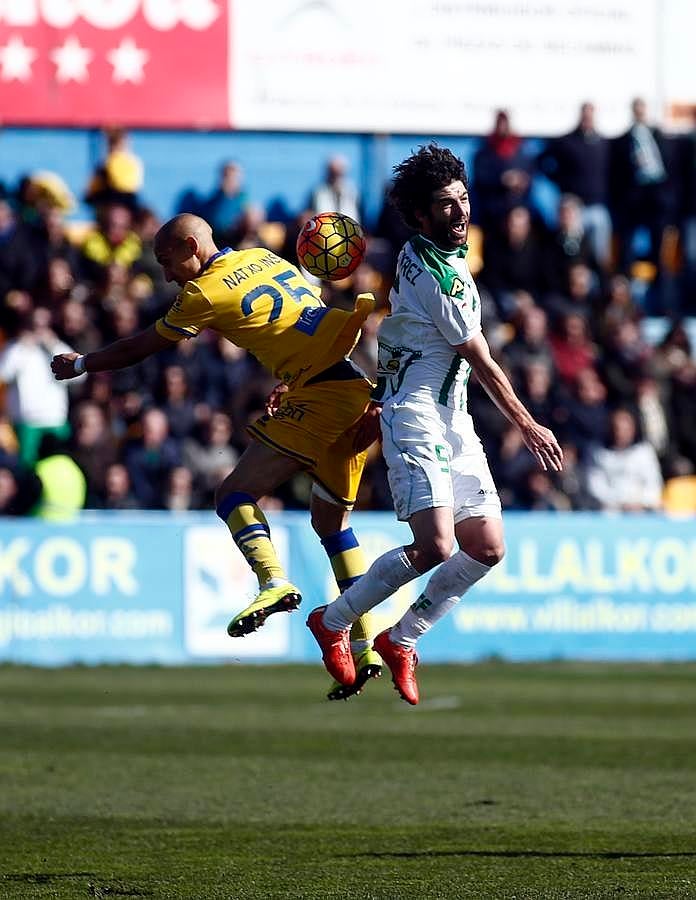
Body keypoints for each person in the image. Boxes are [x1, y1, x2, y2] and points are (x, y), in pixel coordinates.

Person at [51, 212, 383, 698]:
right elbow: (302, 327)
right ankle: (366, 643)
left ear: (191, 245)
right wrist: (290, 379)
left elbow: (145, 345)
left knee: (233, 493)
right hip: (355, 387)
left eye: (167, 261)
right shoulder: (263, 257)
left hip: (321, 398)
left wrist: (83, 362)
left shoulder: (204, 292)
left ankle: (273, 581)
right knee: (332, 524)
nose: (166, 274)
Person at [306, 145, 563, 705]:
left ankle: (402, 639)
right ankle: (334, 619)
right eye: (445, 205)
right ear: (421, 216)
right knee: (438, 545)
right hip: (416, 415)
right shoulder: (440, 279)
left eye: (463, 199)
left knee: (488, 546)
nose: (460, 212)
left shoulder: (424, 253)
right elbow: (482, 362)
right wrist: (528, 424)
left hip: (454, 418)